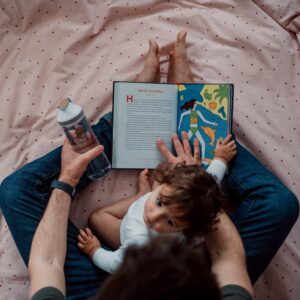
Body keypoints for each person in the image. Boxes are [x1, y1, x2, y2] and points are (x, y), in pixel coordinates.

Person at [0, 31, 298, 299]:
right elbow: (224, 256)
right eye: (160, 202)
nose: (155, 216)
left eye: (167, 215)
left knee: (17, 191)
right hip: (187, 284)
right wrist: (194, 184)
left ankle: (128, 119)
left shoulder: (136, 246)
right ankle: (186, 109)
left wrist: (67, 179)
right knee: (279, 204)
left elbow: (47, 263)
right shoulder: (180, 231)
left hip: (99, 286)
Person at [77, 133, 236, 274]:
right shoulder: (194, 193)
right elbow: (211, 181)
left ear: (186, 228)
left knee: (97, 218)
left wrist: (94, 250)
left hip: (136, 242)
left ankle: (146, 197)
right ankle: (142, 195)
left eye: (169, 221)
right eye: (160, 202)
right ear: (165, 181)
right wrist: (221, 159)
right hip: (143, 212)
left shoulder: (138, 241)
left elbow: (115, 264)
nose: (153, 217)